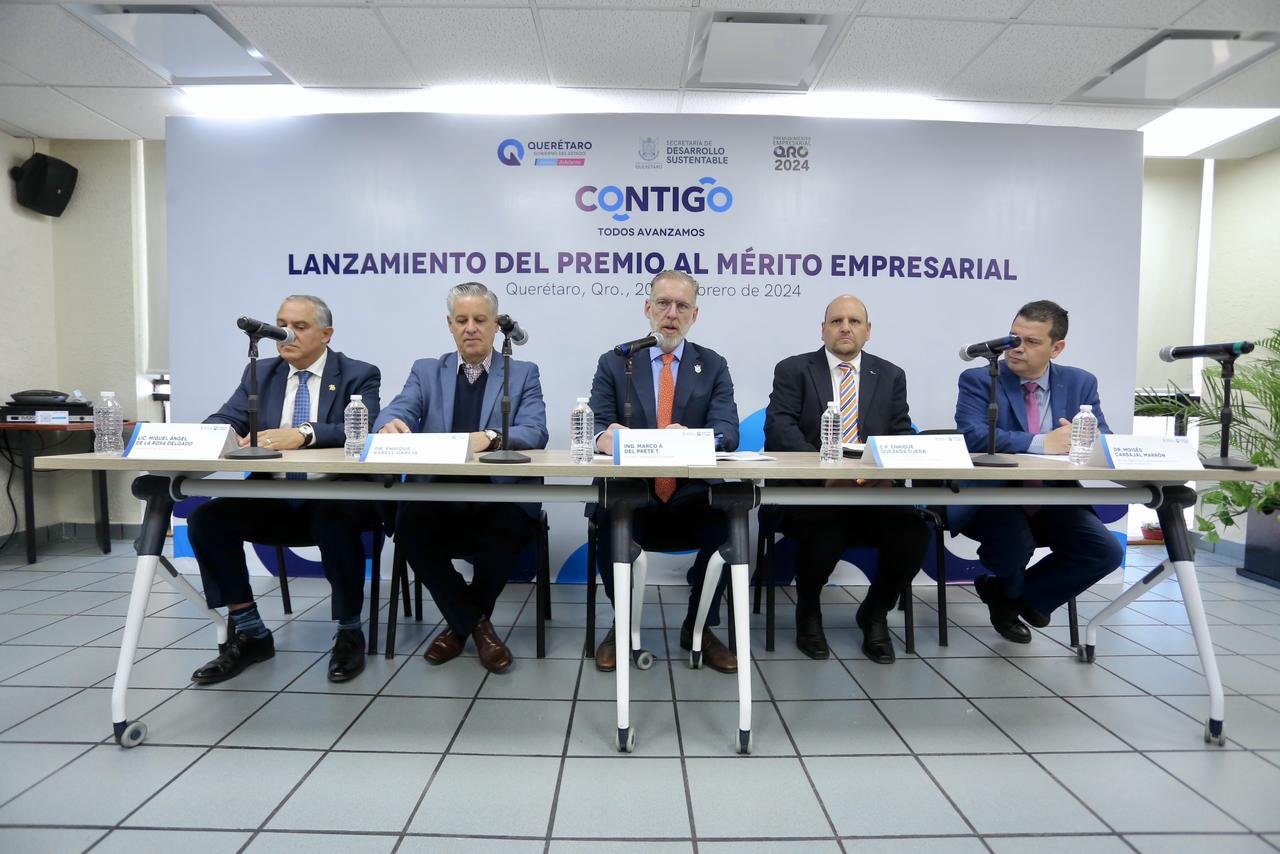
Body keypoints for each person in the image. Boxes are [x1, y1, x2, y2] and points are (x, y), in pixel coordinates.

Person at [189, 294, 381, 684]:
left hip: (334, 495)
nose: (286, 334)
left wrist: (304, 434)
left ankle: (349, 632)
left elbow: (363, 428)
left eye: (299, 326)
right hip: (272, 498)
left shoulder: (358, 373)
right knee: (207, 519)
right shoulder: (262, 373)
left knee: (333, 517)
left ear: (326, 334)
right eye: (281, 325)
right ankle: (250, 631)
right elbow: (227, 416)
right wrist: (218, 433)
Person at [373, 282, 548, 674]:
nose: (471, 328)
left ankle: (459, 627)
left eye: (480, 319)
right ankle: (477, 627)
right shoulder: (426, 370)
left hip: (498, 495)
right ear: (449, 325)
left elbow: (535, 430)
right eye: (462, 320)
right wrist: (389, 424)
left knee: (508, 528)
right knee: (409, 526)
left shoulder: (522, 373)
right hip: (438, 493)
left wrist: (491, 437)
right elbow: (399, 408)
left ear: (495, 325)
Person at [764, 294, 931, 663]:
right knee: (825, 527)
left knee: (915, 532)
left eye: (854, 321)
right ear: (823, 329)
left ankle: (875, 612)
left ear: (868, 331)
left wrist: (885, 473)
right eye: (836, 321)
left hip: (872, 492)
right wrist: (825, 473)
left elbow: (901, 433)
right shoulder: (794, 369)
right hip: (811, 492)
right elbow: (779, 429)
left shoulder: (890, 375)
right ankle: (809, 611)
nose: (845, 328)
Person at [588, 270, 740, 674]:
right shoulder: (616, 361)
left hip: (691, 492)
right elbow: (595, 424)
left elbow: (728, 431)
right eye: (663, 303)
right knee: (609, 519)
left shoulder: (713, 365)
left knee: (729, 528)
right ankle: (623, 625)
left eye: (682, 306)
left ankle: (699, 626)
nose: (671, 314)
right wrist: (605, 438)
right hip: (634, 491)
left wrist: (692, 437)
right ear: (647, 308)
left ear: (695, 315)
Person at [953, 299, 1123, 643]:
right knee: (1016, 542)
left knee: (1105, 552)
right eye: (1014, 338)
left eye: (1031, 342)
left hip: (1052, 495)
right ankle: (1015, 595)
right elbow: (971, 435)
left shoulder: (1080, 382)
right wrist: (1042, 442)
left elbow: (1102, 436)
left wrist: (1083, 437)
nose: (1017, 348)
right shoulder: (980, 378)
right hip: (992, 497)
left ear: (1056, 348)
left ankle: (1012, 596)